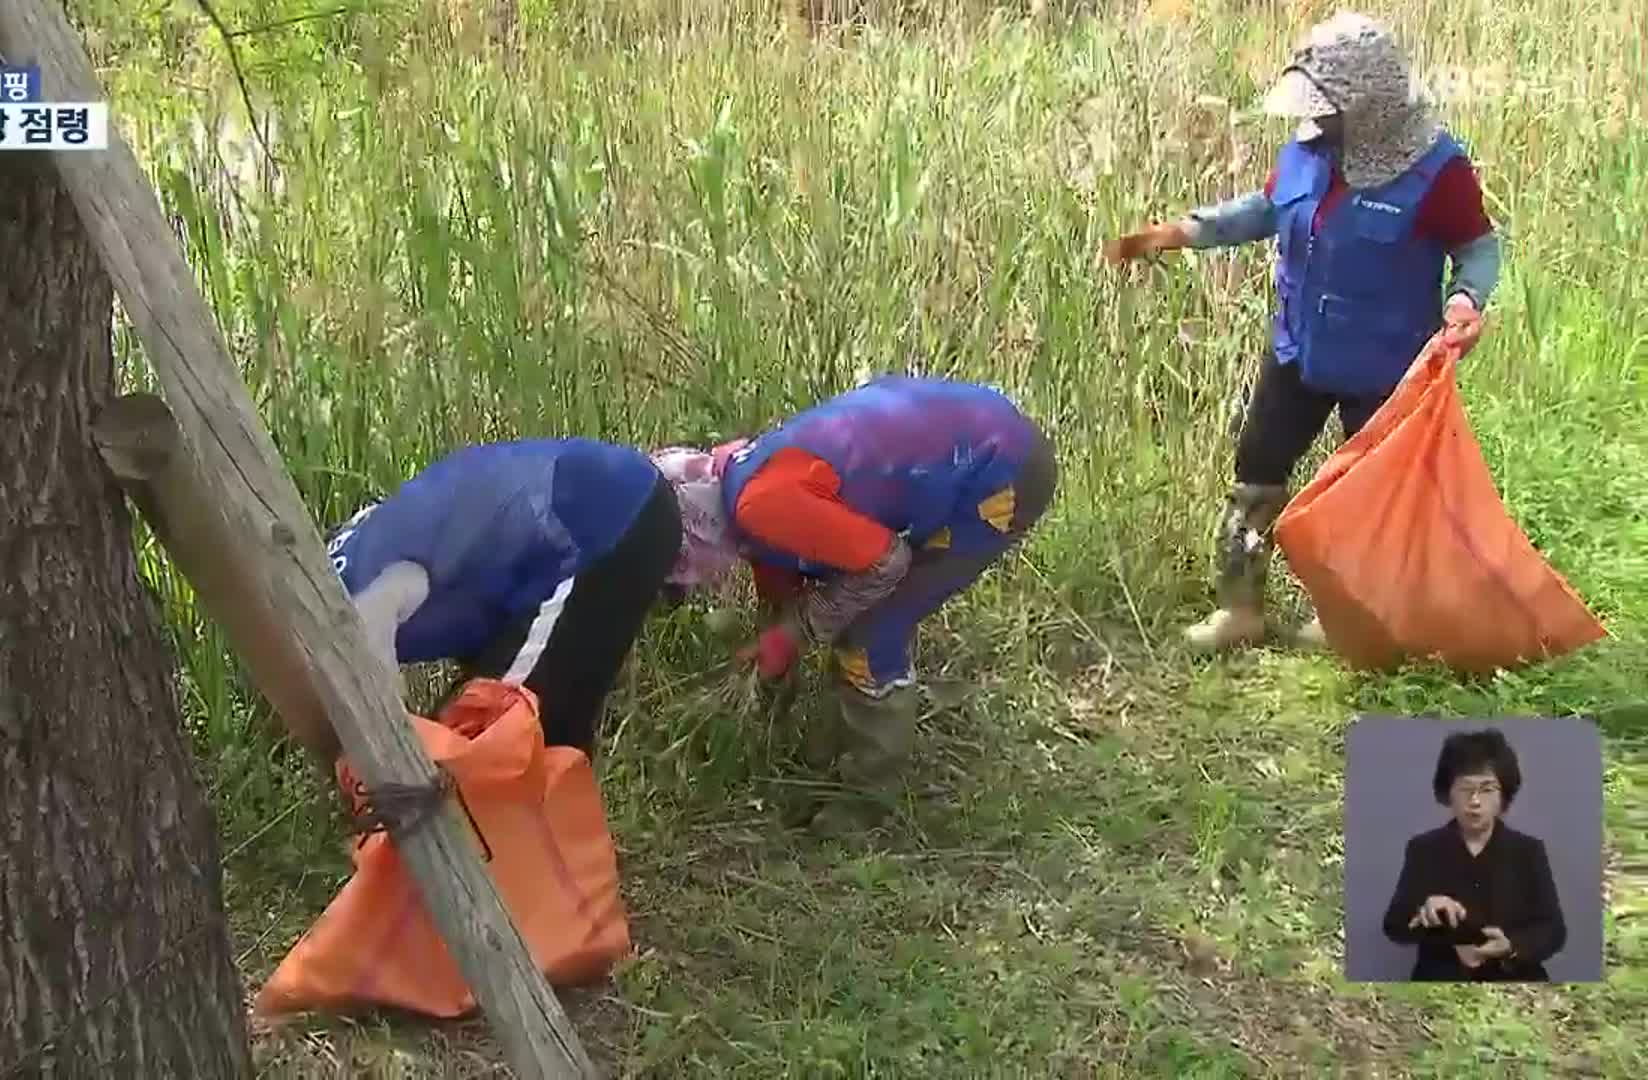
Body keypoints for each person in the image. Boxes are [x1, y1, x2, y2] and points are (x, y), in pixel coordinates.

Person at [1105, 11, 1502, 652]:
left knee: (1368, 495)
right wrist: (1181, 232)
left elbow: (1479, 248)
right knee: (1256, 471)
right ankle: (1241, 609)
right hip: (1297, 347)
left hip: (1387, 364)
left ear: (1368, 105)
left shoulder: (1439, 171)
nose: (1318, 119)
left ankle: (1350, 620)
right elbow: (1266, 209)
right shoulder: (1308, 148)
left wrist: (1465, 300)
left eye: (1331, 109)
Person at [651, 375, 1058, 834]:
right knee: (840, 606)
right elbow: (790, 587)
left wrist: (794, 633)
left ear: (691, 537)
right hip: (980, 437)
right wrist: (777, 649)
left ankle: (870, 799)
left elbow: (886, 563)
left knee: (870, 631)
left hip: (1000, 475)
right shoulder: (739, 483)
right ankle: (829, 756)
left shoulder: (761, 506)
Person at [324, 437, 681, 760]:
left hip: (600, 521)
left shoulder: (357, 598)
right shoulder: (346, 555)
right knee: (522, 740)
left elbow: (381, 713)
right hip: (577, 514)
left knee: (503, 731)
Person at [1380, 728, 1565, 981]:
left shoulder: (1528, 851)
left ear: (1503, 796)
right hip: (1441, 980)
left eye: (1487, 789)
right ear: (1448, 793)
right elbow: (1394, 926)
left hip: (1516, 980)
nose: (1475, 801)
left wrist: (1511, 946)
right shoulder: (1424, 848)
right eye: (1465, 789)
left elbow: (1553, 930)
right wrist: (1425, 910)